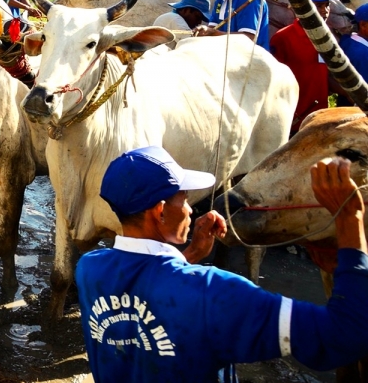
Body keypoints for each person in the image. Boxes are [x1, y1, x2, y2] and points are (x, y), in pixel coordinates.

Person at [76, 145, 368, 382]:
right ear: (161, 212)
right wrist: (349, 220)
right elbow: (343, 336)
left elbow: (148, 292)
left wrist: (189, 254)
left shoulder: (90, 268)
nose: (190, 210)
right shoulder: (214, 292)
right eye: (185, 199)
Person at [270, 0, 334, 133]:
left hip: (321, 117)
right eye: (318, 6)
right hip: (294, 121)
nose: (324, 10)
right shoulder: (282, 38)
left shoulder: (328, 36)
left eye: (327, 4)